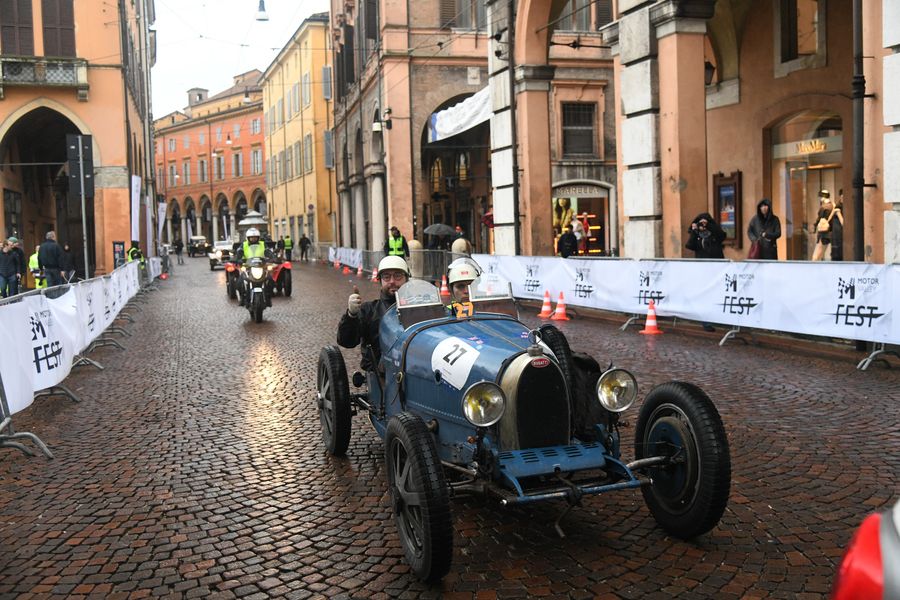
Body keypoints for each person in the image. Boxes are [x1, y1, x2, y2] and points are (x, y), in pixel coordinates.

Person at [338, 255, 410, 372]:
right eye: (386, 277)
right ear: (380, 281)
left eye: (398, 276)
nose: (392, 281)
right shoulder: (368, 310)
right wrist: (351, 315)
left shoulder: (418, 308)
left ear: (406, 279)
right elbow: (347, 341)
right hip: (379, 373)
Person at [235, 228, 274, 306]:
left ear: (258, 237)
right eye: (251, 237)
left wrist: (272, 257)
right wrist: (238, 259)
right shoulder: (244, 245)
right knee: (240, 281)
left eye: (255, 237)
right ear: (248, 238)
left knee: (270, 280)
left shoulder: (263, 244)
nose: (253, 239)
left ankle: (268, 297)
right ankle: (242, 298)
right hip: (248, 267)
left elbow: (268, 251)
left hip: (261, 266)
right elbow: (239, 252)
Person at [811, 190, 838, 261]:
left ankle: (814, 267)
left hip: (823, 233)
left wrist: (814, 227)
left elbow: (819, 219)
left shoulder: (824, 207)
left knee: (816, 257)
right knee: (821, 253)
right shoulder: (833, 205)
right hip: (830, 232)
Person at [830, 189, 845, 261]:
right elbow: (843, 223)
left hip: (839, 234)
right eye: (842, 197)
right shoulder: (838, 207)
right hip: (838, 235)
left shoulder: (841, 206)